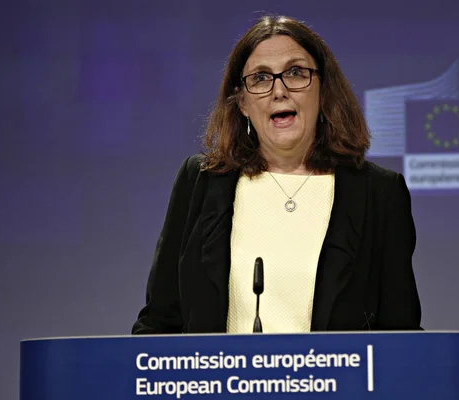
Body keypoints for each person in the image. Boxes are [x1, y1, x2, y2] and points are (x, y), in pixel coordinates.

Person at [131, 15, 421, 335]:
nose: (279, 91)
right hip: (221, 384)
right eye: (260, 78)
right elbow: (159, 321)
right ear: (241, 101)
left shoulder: (378, 193)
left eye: (296, 73)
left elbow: (400, 336)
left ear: (323, 90)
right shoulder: (201, 181)